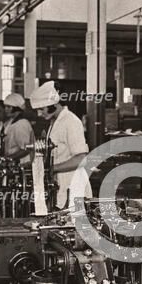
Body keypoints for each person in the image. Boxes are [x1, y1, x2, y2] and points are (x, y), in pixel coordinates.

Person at [29, 81, 92, 209]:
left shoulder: (71, 122)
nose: (39, 114)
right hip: (60, 187)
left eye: (41, 109)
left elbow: (81, 159)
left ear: (53, 104)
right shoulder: (54, 123)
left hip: (73, 187)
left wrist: (52, 168)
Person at [3, 93, 34, 166]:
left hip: (22, 163)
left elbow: (26, 149)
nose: (6, 109)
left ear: (16, 108)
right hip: (13, 162)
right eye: (5, 107)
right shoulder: (11, 122)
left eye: (9, 107)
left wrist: (9, 158)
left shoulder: (22, 124)